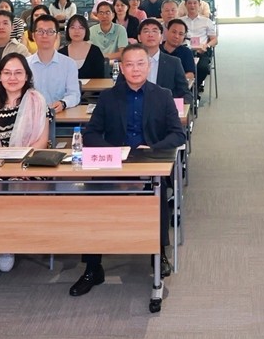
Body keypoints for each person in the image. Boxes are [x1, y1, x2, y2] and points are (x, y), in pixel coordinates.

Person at [69, 45, 184, 296]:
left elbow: (178, 134)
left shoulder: (162, 95)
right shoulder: (109, 97)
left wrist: (152, 148)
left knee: (157, 195)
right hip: (114, 163)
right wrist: (115, 151)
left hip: (149, 162)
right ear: (121, 68)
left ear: (149, 66)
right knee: (93, 200)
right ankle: (93, 267)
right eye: (129, 64)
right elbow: (91, 134)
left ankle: (158, 253)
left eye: (140, 63)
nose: (135, 69)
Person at [0, 52, 50, 273]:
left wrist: (19, 166)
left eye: (18, 73)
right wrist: (3, 166)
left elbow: (42, 141)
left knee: (16, 186)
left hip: (30, 165)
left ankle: (12, 240)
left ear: (26, 76)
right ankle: (5, 243)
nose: (12, 78)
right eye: (7, 73)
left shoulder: (37, 100)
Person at [27, 16, 82, 115]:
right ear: (33, 36)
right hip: (31, 118)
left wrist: (63, 103)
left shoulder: (69, 64)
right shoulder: (25, 65)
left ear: (57, 36)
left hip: (60, 118)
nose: (45, 36)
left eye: (50, 32)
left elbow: (74, 94)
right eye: (40, 31)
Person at [137, 18, 189, 97]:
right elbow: (120, 90)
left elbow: (185, 92)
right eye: (146, 31)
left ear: (161, 37)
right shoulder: (130, 61)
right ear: (139, 38)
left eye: (154, 31)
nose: (150, 35)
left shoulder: (174, 63)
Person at [179, 0, 218, 87]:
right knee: (178, 67)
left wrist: (207, 46)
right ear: (185, 5)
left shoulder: (206, 21)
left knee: (203, 68)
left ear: (199, 5)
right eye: (189, 3)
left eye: (195, 3)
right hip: (184, 50)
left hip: (202, 51)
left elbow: (214, 39)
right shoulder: (180, 21)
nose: (192, 5)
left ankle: (194, 87)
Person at [62, 14, 108, 79]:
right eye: (72, 27)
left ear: (86, 30)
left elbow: (100, 78)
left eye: (81, 28)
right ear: (67, 30)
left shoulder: (95, 51)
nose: (76, 31)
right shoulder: (61, 53)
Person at [160, 19, 198, 92]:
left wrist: (172, 81)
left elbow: (190, 74)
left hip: (177, 89)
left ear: (184, 36)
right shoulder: (157, 49)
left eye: (181, 34)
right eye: (174, 32)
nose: (176, 36)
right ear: (166, 32)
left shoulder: (186, 52)